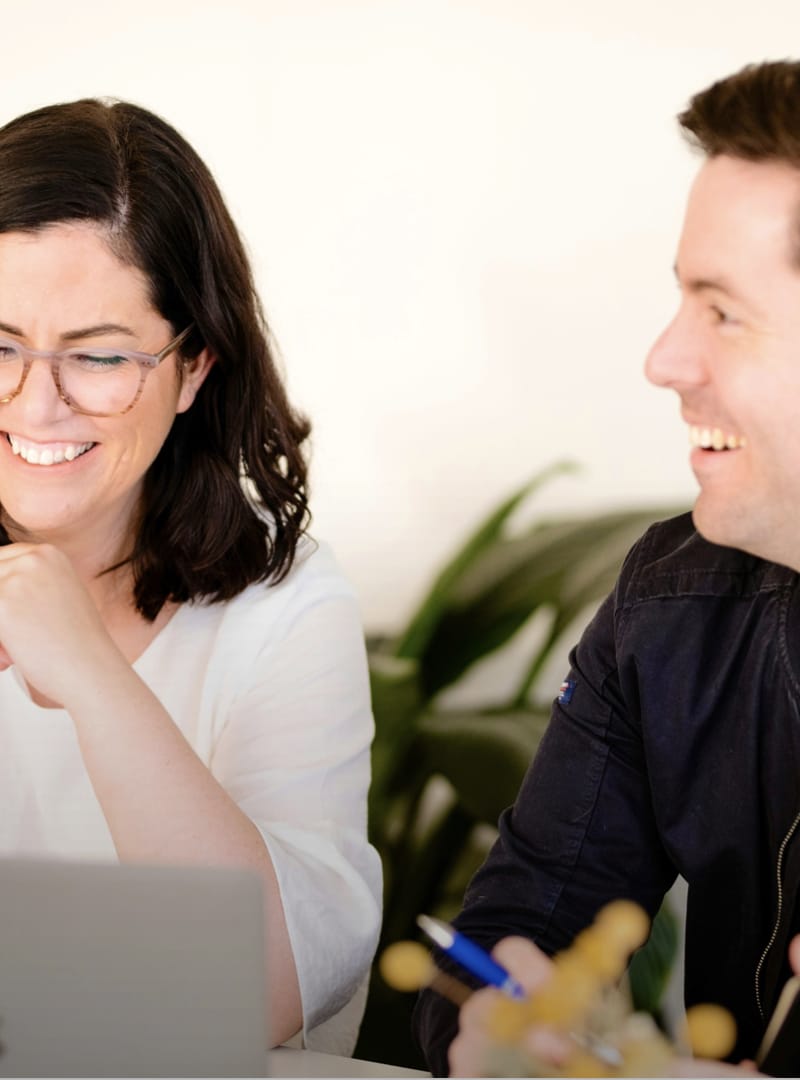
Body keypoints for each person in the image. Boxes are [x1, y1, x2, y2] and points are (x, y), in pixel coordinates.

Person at [413, 57, 800, 1076]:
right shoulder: (670, 605)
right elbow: (509, 935)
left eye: (720, 310)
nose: (663, 360)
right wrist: (510, 1019)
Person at [0, 98, 381, 1055]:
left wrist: (90, 675)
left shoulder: (286, 608)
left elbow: (261, 994)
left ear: (194, 367)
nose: (33, 402)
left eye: (97, 356)